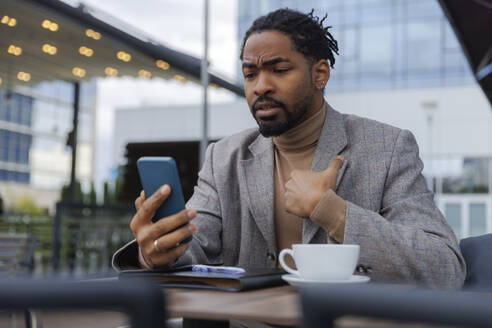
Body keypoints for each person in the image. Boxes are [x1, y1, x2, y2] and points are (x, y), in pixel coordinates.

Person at [113, 8, 465, 288]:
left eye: (278, 70)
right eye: (250, 74)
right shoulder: (224, 157)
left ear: (320, 74)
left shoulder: (387, 148)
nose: (261, 86)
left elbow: (444, 267)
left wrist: (334, 213)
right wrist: (156, 250)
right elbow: (194, 245)